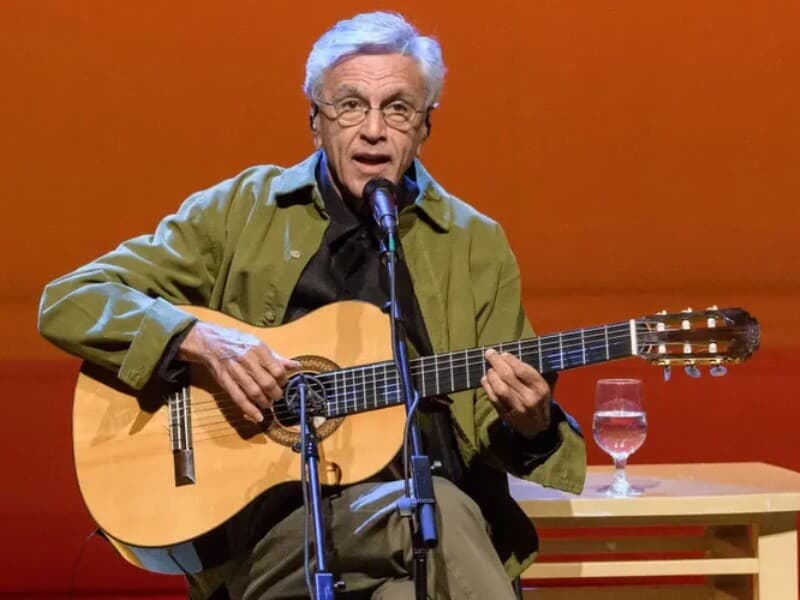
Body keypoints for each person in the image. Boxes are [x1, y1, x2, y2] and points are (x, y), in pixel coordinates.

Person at [39, 11, 586, 600]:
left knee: (423, 555)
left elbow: (489, 433)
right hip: (271, 532)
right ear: (315, 120)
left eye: (398, 109)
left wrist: (531, 424)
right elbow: (69, 299)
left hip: (429, 535)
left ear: (424, 127)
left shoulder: (475, 244)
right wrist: (197, 339)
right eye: (350, 105)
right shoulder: (240, 211)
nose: (374, 129)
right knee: (438, 515)